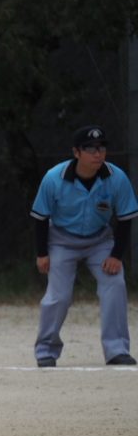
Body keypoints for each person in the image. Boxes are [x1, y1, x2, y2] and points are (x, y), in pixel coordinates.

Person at [30, 124, 138, 367]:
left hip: (100, 240)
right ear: (76, 152)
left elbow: (125, 218)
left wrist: (116, 255)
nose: (98, 154)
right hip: (61, 240)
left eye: (102, 148)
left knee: (115, 285)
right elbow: (40, 217)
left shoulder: (116, 178)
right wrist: (42, 253)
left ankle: (117, 349)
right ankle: (46, 351)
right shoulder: (53, 178)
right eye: (90, 149)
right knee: (59, 295)